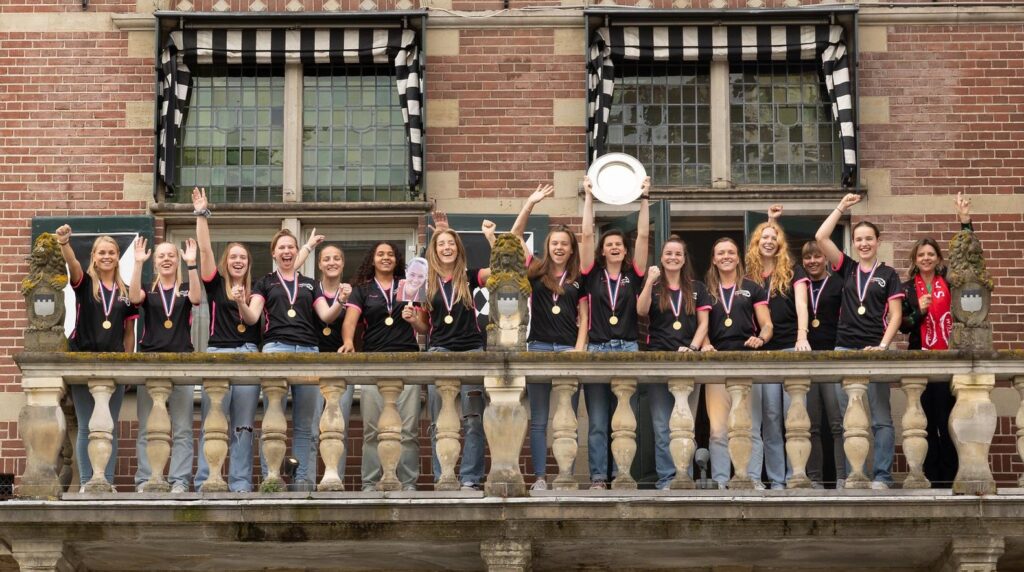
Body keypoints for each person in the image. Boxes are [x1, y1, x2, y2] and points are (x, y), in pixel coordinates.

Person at [245, 228, 347, 490]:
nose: (287, 251)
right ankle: (272, 478)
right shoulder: (264, 283)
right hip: (275, 350)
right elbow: (252, 317)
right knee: (273, 420)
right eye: (281, 247)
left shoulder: (310, 284)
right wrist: (240, 303)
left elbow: (326, 316)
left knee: (305, 424)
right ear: (273, 253)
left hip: (308, 352)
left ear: (296, 251)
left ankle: (301, 480)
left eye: (291, 246)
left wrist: (340, 301)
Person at [815, 193, 904, 490]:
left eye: (869, 239)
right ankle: (856, 474)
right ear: (853, 243)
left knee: (880, 418)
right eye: (859, 239)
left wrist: (883, 346)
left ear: (878, 242)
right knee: (849, 418)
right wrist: (840, 207)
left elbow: (896, 315)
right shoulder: (848, 268)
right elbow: (821, 237)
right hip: (845, 348)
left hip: (875, 349)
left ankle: (882, 476)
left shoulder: (888, 274)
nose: (864, 243)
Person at [510, 185, 589, 491]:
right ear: (548, 246)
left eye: (564, 244)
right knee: (540, 419)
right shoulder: (535, 271)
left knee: (567, 418)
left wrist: (579, 350)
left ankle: (566, 476)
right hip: (539, 346)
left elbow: (584, 318)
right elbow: (514, 238)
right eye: (554, 243)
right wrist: (529, 203)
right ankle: (541, 478)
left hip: (568, 348)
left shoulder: (579, 278)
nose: (559, 248)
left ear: (571, 249)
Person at [407, 212, 492, 491]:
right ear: (434, 250)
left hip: (472, 352)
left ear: (458, 249)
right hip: (439, 352)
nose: (446, 248)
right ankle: (443, 476)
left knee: (473, 421)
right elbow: (423, 327)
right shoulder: (425, 283)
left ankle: (470, 478)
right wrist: (413, 320)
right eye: (441, 244)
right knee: (440, 421)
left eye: (451, 243)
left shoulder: (470, 276)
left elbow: (499, 273)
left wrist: (491, 238)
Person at [579, 175, 650, 489]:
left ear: (624, 250)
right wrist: (589, 197)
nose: (614, 248)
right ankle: (598, 477)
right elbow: (585, 234)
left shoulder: (634, 274)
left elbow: (644, 235)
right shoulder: (591, 274)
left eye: (619, 244)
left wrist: (644, 198)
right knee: (597, 421)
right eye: (609, 245)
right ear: (603, 251)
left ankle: (622, 475)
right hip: (596, 349)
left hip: (627, 348)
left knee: (623, 420)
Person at [898, 192, 974, 487]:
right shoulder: (907, 289)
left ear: (938, 258)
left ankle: (951, 475)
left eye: (930, 254)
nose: (926, 258)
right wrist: (919, 311)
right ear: (915, 260)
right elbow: (904, 326)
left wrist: (965, 222)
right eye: (921, 255)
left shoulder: (949, 281)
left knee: (948, 420)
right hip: (921, 360)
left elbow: (967, 257)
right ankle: (930, 475)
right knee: (925, 422)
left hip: (948, 358)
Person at [56, 225, 138, 492]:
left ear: (117, 256)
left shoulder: (126, 293)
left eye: (111, 252)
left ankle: (107, 482)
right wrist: (65, 244)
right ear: (93, 256)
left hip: (114, 365)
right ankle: (85, 483)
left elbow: (129, 334)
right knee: (85, 426)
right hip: (83, 360)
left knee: (108, 427)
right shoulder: (84, 284)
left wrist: (128, 366)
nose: (107, 256)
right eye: (101, 252)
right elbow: (73, 265)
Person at [192, 187, 263, 493]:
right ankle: (206, 480)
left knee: (243, 426)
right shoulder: (216, 284)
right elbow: (205, 251)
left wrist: (242, 301)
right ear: (226, 261)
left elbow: (254, 319)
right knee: (213, 422)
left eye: (242, 257)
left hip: (248, 354)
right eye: (233, 256)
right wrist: (201, 215)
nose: (237, 261)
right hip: (218, 353)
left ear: (248, 263)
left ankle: (240, 482)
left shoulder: (258, 289)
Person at [341, 241, 421, 491]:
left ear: (397, 260)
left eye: (390, 254)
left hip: (407, 361)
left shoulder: (409, 285)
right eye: (380, 254)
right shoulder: (362, 289)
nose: (386, 258)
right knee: (372, 429)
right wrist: (348, 342)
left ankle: (408, 482)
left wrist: (414, 320)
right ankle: (370, 482)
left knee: (408, 430)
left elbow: (423, 326)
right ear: (372, 259)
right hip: (373, 362)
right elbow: (350, 322)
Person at [128, 236, 202, 493]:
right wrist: (138, 263)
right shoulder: (148, 290)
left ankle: (179, 480)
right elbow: (133, 297)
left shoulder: (185, 288)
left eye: (171, 255)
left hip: (182, 362)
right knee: (147, 428)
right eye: (162, 256)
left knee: (182, 428)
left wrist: (192, 264)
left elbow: (197, 298)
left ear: (177, 260)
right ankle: (145, 479)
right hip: (151, 363)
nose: (167, 259)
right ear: (155, 262)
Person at [637, 235, 710, 490]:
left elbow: (703, 324)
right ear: (661, 257)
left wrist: (692, 348)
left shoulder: (697, 288)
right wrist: (649, 281)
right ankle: (667, 478)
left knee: (685, 425)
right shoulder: (656, 286)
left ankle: (684, 476)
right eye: (668, 253)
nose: (673, 257)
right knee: (661, 425)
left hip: (688, 361)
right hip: (659, 360)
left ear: (684, 258)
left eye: (678, 254)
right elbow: (641, 310)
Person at [745, 205, 811, 490]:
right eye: (764, 238)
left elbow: (802, 306)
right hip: (760, 352)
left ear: (781, 243)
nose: (769, 242)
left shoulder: (793, 271)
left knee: (792, 418)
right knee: (769, 418)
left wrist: (802, 336)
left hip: (788, 348)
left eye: (774, 238)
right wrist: (770, 221)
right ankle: (772, 479)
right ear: (756, 243)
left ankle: (793, 476)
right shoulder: (748, 274)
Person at [700, 237, 773, 489]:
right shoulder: (705, 290)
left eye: (731, 252)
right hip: (716, 364)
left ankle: (753, 479)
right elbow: (701, 325)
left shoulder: (752, 288)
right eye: (721, 253)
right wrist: (705, 343)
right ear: (714, 259)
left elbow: (767, 324)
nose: (726, 257)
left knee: (750, 427)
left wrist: (761, 338)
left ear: (738, 257)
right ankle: (721, 481)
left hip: (747, 361)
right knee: (718, 430)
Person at [293, 234, 355, 488]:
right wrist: (307, 247)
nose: (332, 262)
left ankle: (334, 481)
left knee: (338, 429)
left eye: (336, 258)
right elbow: (288, 268)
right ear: (319, 264)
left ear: (343, 263)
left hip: (342, 366)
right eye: (326, 259)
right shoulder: (309, 290)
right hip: (313, 362)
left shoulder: (351, 292)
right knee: (309, 428)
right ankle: (305, 483)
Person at [800, 240, 848, 489]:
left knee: (838, 423)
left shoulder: (839, 284)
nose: (812, 262)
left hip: (831, 359)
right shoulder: (800, 285)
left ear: (826, 258)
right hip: (806, 361)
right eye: (807, 258)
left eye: (817, 256)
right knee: (811, 426)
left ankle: (842, 477)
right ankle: (815, 479)